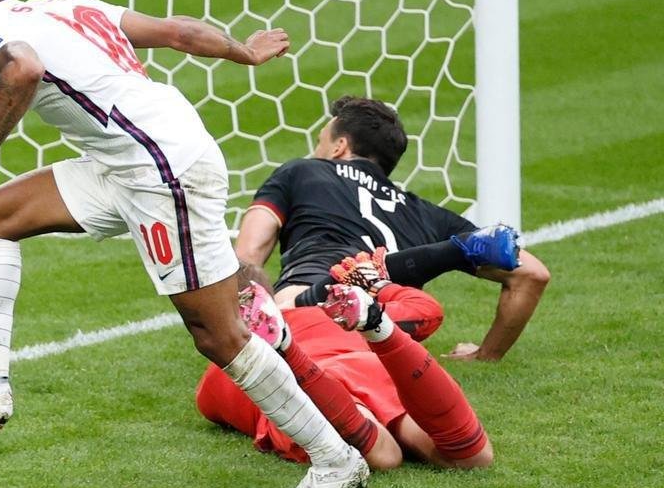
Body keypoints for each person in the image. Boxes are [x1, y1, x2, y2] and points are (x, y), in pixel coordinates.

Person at [0, 0, 369, 488]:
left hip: (160, 170)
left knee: (218, 335)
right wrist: (241, 51)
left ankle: (335, 458)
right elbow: (175, 31)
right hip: (129, 161)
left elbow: (22, 70)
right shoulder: (67, 6)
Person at [236, 96, 551, 361]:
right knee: (404, 308)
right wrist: (485, 356)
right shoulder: (426, 213)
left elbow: (247, 257)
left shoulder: (301, 171)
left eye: (320, 142)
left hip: (312, 306)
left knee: (286, 308)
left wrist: (241, 327)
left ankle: (329, 294)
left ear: (338, 147)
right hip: (388, 325)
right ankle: (426, 261)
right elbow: (532, 274)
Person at [195, 277, 493, 471]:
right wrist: (379, 281)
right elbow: (427, 311)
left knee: (384, 457)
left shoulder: (216, 375)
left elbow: (216, 407)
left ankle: (286, 349)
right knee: (473, 459)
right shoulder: (326, 311)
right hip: (367, 368)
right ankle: (380, 327)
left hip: (302, 394)